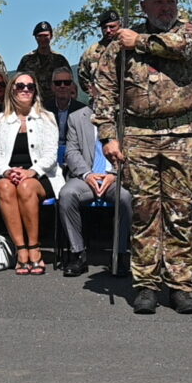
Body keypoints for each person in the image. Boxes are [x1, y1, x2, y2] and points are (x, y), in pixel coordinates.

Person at [94, 0, 192, 315]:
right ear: (144, 6)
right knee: (144, 212)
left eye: (170, 2)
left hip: (182, 135)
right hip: (139, 136)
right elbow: (105, 91)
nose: (166, 8)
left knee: (180, 212)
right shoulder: (120, 46)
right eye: (158, 2)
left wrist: (140, 41)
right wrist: (108, 136)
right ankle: (146, 284)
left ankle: (179, 286)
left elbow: (184, 48)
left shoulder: (191, 32)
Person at [0, 72, 63, 275]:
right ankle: (21, 250)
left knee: (26, 186)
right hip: (6, 174)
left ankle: (34, 248)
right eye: (20, 86)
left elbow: (51, 154)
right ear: (12, 90)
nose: (26, 90)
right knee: (5, 187)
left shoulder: (47, 118)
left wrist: (32, 171)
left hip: (41, 175)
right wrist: (7, 171)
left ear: (35, 91)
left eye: (30, 86)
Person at [59, 83, 132, 277]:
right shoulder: (77, 117)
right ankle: (78, 254)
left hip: (115, 177)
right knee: (67, 194)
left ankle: (120, 254)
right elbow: (71, 152)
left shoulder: (126, 117)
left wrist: (114, 174)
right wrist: (87, 174)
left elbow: (132, 151)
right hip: (86, 177)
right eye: (98, 86)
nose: (103, 91)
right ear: (90, 89)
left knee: (126, 198)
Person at [17, 21, 73, 105]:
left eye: (46, 36)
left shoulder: (60, 60)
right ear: (35, 38)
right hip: (32, 104)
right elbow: (17, 83)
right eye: (40, 36)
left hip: (55, 106)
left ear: (51, 36)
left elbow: (70, 84)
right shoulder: (26, 60)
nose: (43, 39)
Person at [78, 9, 121, 99]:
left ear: (120, 26)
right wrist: (93, 91)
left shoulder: (129, 47)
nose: (108, 30)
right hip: (101, 102)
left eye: (112, 27)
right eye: (104, 28)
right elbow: (82, 77)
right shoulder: (91, 52)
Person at [43, 66, 85, 151]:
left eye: (67, 83)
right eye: (58, 83)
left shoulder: (82, 111)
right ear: (52, 87)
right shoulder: (43, 110)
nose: (62, 86)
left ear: (72, 86)